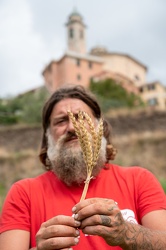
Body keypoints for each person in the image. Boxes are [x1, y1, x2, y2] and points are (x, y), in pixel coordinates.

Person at [0, 85, 166, 250]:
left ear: (99, 127)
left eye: (82, 118)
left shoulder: (139, 179)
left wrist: (126, 233)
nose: (72, 127)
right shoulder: (24, 193)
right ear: (47, 136)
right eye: (61, 121)